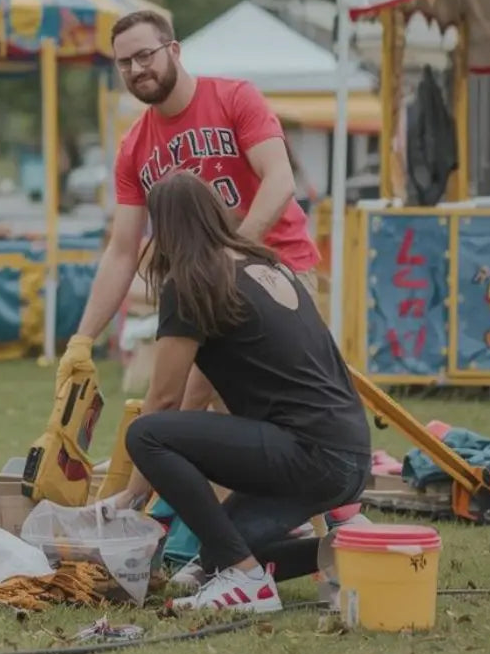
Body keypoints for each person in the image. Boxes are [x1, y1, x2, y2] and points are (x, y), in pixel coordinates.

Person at [110, 172, 370, 611]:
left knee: (145, 434)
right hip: (348, 455)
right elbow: (196, 396)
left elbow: (163, 402)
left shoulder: (192, 283)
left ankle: (249, 581)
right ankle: (346, 552)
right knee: (217, 551)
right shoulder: (266, 265)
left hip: (309, 454)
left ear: (164, 230)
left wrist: (133, 495)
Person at [56, 9, 322, 408]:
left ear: (174, 50)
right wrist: (83, 339)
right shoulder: (133, 149)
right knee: (181, 405)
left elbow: (280, 181)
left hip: (279, 269)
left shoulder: (234, 98)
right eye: (125, 62)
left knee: (210, 402)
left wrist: (232, 257)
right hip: (205, 288)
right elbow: (123, 250)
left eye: (145, 55)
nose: (137, 69)